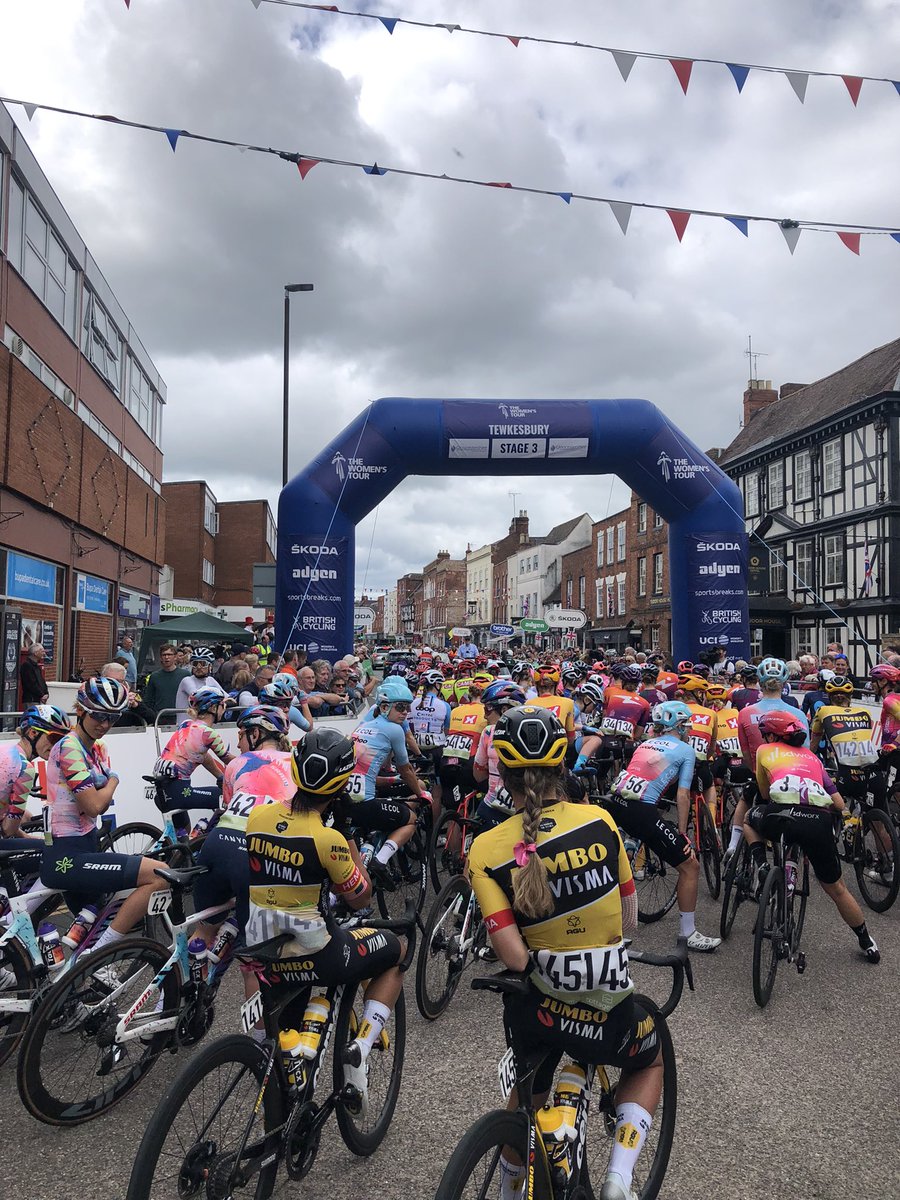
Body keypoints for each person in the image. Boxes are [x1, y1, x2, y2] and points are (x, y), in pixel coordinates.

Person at [468, 706, 665, 1200]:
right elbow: (628, 920)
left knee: (527, 1096)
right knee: (650, 1061)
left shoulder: (487, 848)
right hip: (605, 1002)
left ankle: (511, 1186)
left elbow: (514, 958)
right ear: (561, 765)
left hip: (537, 1006)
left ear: (503, 772)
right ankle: (619, 1179)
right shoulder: (600, 821)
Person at [245, 728, 406, 1112]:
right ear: (341, 785)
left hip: (264, 948)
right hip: (316, 951)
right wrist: (346, 833)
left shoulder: (257, 817)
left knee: (295, 1026)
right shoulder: (327, 838)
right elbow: (360, 895)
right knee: (399, 949)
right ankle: (361, 1045)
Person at [41, 678, 169, 950]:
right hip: (67, 854)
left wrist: (104, 789)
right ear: (80, 711)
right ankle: (101, 954)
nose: (105, 724)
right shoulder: (69, 748)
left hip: (85, 844)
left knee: (92, 925)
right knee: (160, 874)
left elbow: (100, 801)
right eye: (98, 716)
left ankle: (90, 960)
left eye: (113, 717)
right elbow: (95, 805)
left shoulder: (94, 748)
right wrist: (114, 780)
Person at [744, 708, 880, 963]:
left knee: (749, 819)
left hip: (780, 815)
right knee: (837, 889)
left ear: (771, 736)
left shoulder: (764, 750)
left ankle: (762, 867)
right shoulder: (813, 758)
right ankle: (866, 941)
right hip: (817, 821)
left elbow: (764, 792)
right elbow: (838, 803)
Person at [604, 700, 720, 952]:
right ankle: (688, 933)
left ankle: (607, 928)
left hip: (614, 802)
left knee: (615, 863)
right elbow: (683, 795)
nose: (689, 729)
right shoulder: (686, 750)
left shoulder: (645, 743)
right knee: (690, 866)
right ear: (678, 725)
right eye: (686, 724)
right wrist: (682, 833)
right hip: (639, 809)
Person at [192, 705, 295, 954]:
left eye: (240, 735)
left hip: (216, 845)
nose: (238, 744)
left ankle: (189, 972)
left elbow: (228, 807)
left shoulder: (237, 763)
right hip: (255, 850)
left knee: (204, 929)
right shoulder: (295, 765)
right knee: (254, 955)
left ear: (255, 734)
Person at [725, 657, 811, 861]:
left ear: (760, 682)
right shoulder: (798, 713)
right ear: (784, 683)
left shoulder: (745, 713)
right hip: (792, 778)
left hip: (762, 773)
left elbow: (746, 753)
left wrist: (757, 771)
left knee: (746, 800)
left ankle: (733, 845)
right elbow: (806, 752)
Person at [348, 678, 430, 883]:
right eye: (400, 707)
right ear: (384, 707)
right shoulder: (394, 729)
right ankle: (381, 860)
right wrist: (421, 794)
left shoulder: (364, 726)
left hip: (345, 798)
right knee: (411, 819)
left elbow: (364, 772)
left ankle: (369, 848)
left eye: (408, 708)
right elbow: (406, 769)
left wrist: (391, 779)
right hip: (365, 803)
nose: (405, 712)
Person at [810, 676, 886, 811]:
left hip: (847, 773)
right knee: (877, 817)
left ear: (830, 697)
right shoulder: (865, 712)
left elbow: (814, 743)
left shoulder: (823, 711)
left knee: (830, 808)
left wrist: (807, 759)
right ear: (850, 696)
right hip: (875, 771)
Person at [0, 705, 70, 843]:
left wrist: (25, 835)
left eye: (62, 741)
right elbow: (8, 830)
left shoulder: (4, 749)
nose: (57, 746)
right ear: (33, 733)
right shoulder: (25, 769)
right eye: (54, 738)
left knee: (26, 817)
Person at [472, 681, 526, 829]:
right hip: (525, 807)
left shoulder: (488, 732)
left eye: (487, 709)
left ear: (504, 710)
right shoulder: (530, 733)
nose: (484, 715)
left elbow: (478, 775)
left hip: (493, 804)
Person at [99, 661, 156, 728]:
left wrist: (136, 705)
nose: (117, 685)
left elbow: (152, 719)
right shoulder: (94, 698)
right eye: (112, 681)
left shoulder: (129, 698)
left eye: (121, 681)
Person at [142, 643, 189, 719]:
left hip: (181, 716)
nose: (166, 657)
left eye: (169, 654)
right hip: (160, 717)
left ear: (175, 657)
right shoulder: (154, 677)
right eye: (164, 655)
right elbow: (148, 700)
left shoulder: (185, 675)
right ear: (160, 657)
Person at [174, 647, 225, 712]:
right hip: (187, 719)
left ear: (210, 666)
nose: (198, 667)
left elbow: (228, 698)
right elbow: (199, 697)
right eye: (195, 664)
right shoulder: (187, 680)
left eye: (203, 664)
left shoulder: (210, 680)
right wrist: (220, 698)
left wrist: (226, 700)